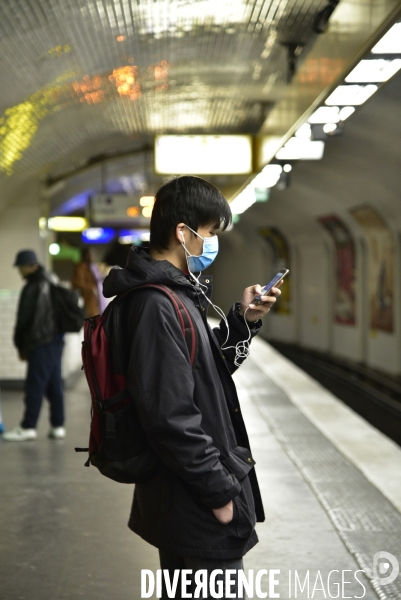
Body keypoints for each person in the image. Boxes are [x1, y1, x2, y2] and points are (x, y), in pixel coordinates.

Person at [102, 176, 281, 599]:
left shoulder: (178, 296)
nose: (212, 242)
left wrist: (244, 322)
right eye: (211, 232)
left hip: (189, 493)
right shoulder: (155, 304)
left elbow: (210, 378)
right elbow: (169, 415)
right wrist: (219, 493)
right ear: (183, 232)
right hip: (194, 497)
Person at [3, 250, 66, 442]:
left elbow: (25, 320)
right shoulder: (51, 279)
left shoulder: (33, 286)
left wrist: (20, 345)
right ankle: (58, 425)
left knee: (35, 384)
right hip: (56, 340)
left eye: (21, 267)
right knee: (54, 384)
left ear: (30, 266)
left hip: (40, 342)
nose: (20, 271)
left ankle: (28, 426)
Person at [71, 247, 106, 317]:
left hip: (96, 301)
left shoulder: (93, 268)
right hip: (87, 301)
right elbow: (77, 283)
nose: (91, 257)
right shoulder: (80, 268)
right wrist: (91, 289)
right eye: (89, 255)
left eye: (92, 255)